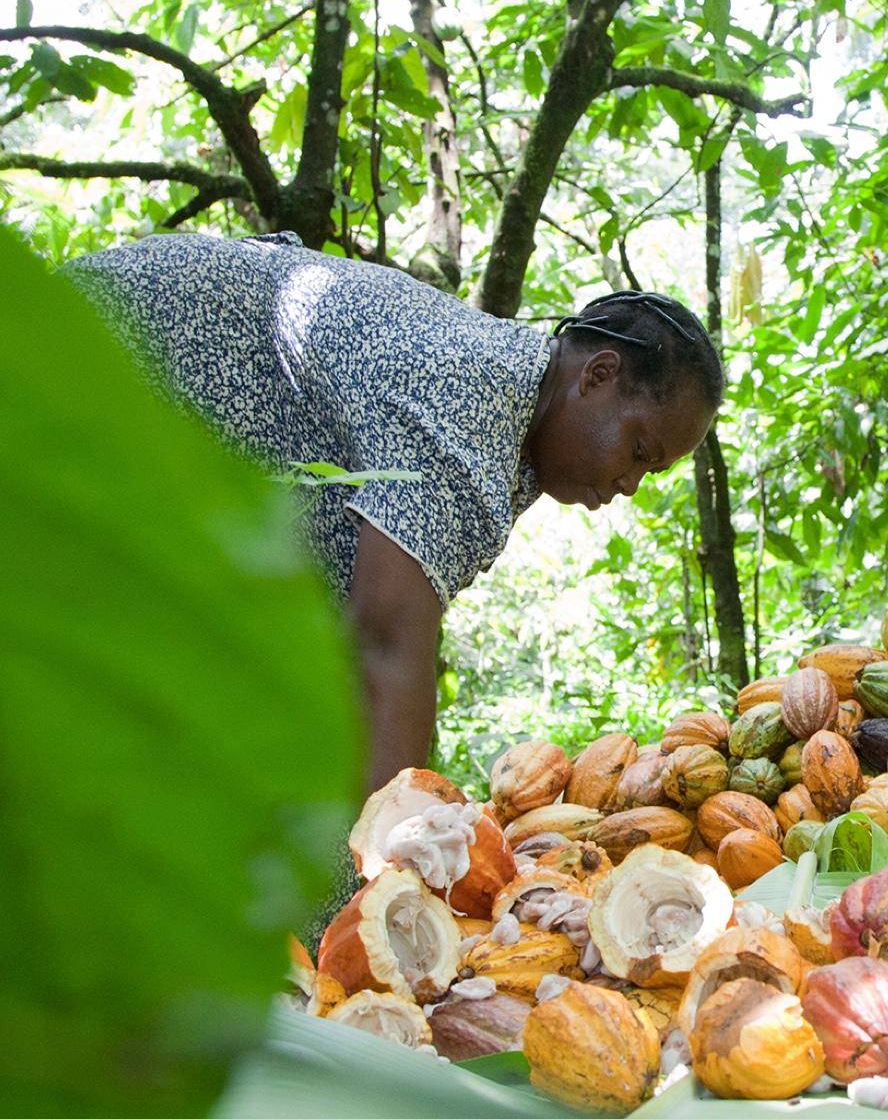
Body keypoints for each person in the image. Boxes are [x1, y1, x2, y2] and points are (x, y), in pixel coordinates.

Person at [65, 230, 721, 792]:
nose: (632, 484)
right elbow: (385, 645)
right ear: (598, 375)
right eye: (639, 448)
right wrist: (394, 874)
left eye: (650, 470)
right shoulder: (472, 395)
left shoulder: (514, 426)